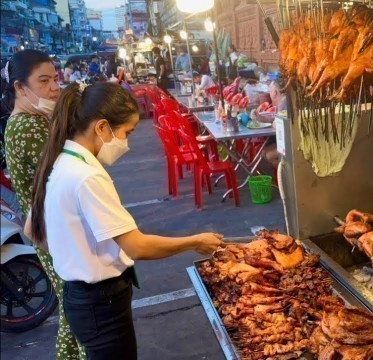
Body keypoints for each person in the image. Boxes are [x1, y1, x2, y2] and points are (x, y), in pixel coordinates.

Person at [26, 82, 224, 360]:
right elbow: (137, 246)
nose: (127, 143)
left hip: (81, 298)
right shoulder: (86, 176)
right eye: (126, 133)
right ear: (102, 127)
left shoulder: (60, 161)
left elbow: (33, 232)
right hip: (100, 301)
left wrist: (74, 254)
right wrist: (195, 242)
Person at [1, 49, 86, 360]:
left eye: (55, 78)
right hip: (55, 230)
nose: (54, 87)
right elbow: (67, 173)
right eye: (44, 80)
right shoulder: (26, 127)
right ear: (21, 88)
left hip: (54, 227)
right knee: (75, 307)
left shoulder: (37, 119)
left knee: (72, 306)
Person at [257, 78, 288, 168]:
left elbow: (281, 124)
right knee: (263, 152)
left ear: (274, 92)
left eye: (270, 90)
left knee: (268, 155)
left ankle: (284, 176)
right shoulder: (282, 101)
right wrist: (261, 118)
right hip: (284, 141)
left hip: (289, 143)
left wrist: (274, 122)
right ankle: (280, 177)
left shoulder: (284, 103)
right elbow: (276, 120)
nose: (269, 93)